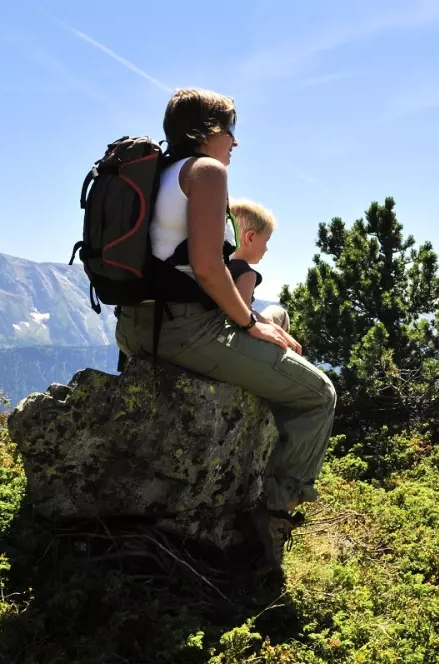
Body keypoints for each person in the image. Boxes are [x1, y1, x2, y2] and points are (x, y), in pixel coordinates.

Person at [113, 88, 336, 575]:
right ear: (208, 132)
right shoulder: (207, 173)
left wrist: (260, 323)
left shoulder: (161, 173)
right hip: (184, 331)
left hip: (137, 328)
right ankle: (273, 516)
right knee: (318, 394)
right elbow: (209, 269)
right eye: (230, 129)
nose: (235, 142)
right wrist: (248, 322)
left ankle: (259, 442)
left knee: (276, 323)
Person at [227, 198, 292, 333]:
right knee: (280, 313)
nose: (266, 248)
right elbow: (243, 314)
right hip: (238, 332)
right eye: (266, 241)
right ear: (250, 237)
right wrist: (269, 325)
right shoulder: (247, 274)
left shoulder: (222, 263)